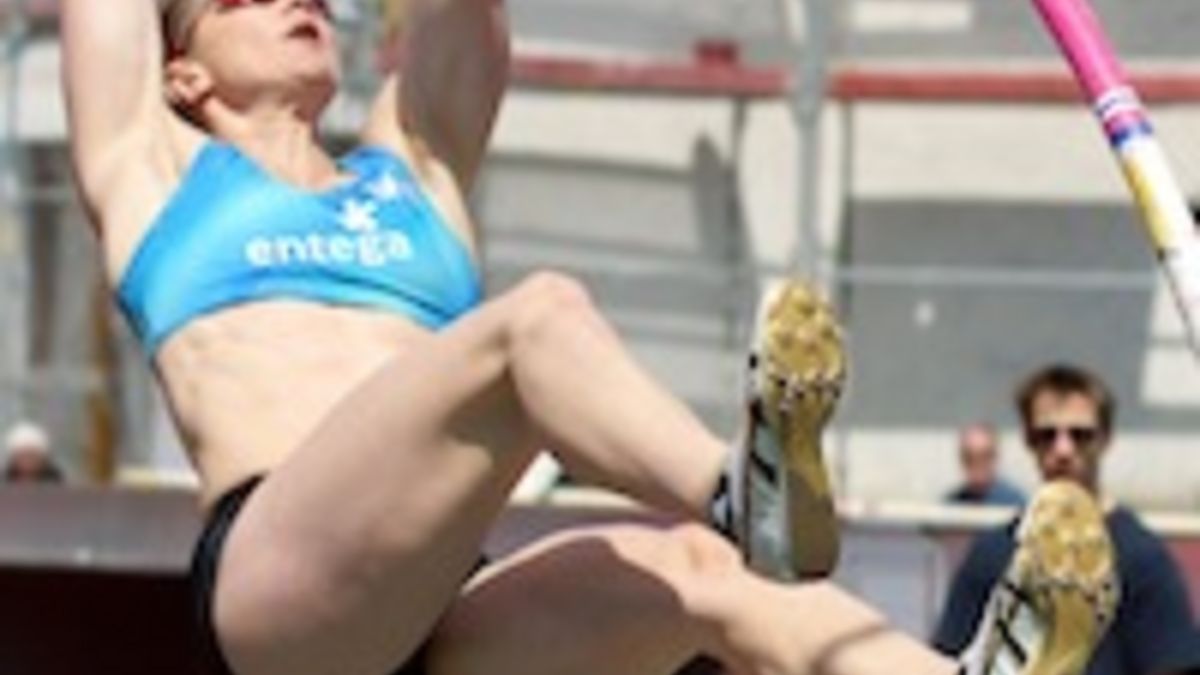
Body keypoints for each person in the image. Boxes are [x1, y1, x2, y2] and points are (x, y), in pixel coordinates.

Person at [59, 0, 1106, 673]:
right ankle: (742, 489)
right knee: (537, 324)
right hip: (286, 589)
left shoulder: (413, 168)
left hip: (449, 600)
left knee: (704, 573)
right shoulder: (152, 172)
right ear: (183, 74)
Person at [933, 363, 1200, 674]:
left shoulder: (1142, 557)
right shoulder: (992, 553)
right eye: (1046, 435)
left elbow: (1173, 662)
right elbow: (947, 661)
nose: (1062, 449)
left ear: (1105, 439)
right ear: (1028, 440)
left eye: (1080, 435)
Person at [943, 423, 1025, 507]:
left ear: (995, 457)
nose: (977, 463)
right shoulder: (951, 504)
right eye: (970, 457)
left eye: (984, 456)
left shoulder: (1017, 503)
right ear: (962, 460)